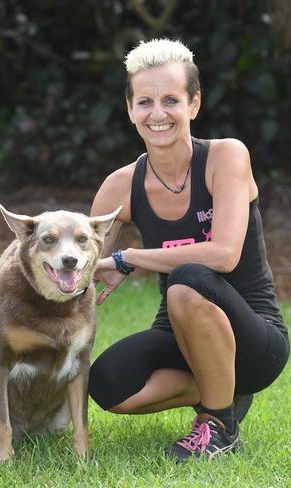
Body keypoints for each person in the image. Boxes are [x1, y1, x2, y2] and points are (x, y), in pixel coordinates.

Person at [88, 38, 289, 461]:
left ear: (194, 104)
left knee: (187, 278)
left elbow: (224, 255)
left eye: (171, 100)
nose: (157, 114)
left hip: (256, 336)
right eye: (145, 101)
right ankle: (220, 388)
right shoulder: (120, 185)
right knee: (107, 383)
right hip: (178, 332)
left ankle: (217, 424)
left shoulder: (226, 157)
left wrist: (130, 258)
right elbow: (79, 261)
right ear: (130, 110)